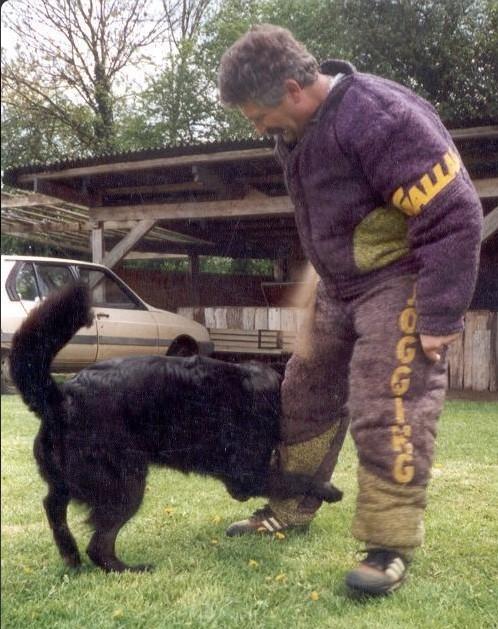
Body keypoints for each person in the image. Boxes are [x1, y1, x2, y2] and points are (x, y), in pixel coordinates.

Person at [217, 24, 482, 595]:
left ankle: (388, 548)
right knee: (304, 392)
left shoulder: (381, 119)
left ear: (292, 87)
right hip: (337, 287)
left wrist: (438, 316)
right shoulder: (300, 129)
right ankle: (288, 509)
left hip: (399, 281)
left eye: (259, 117)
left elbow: (457, 214)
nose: (260, 130)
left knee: (388, 403)